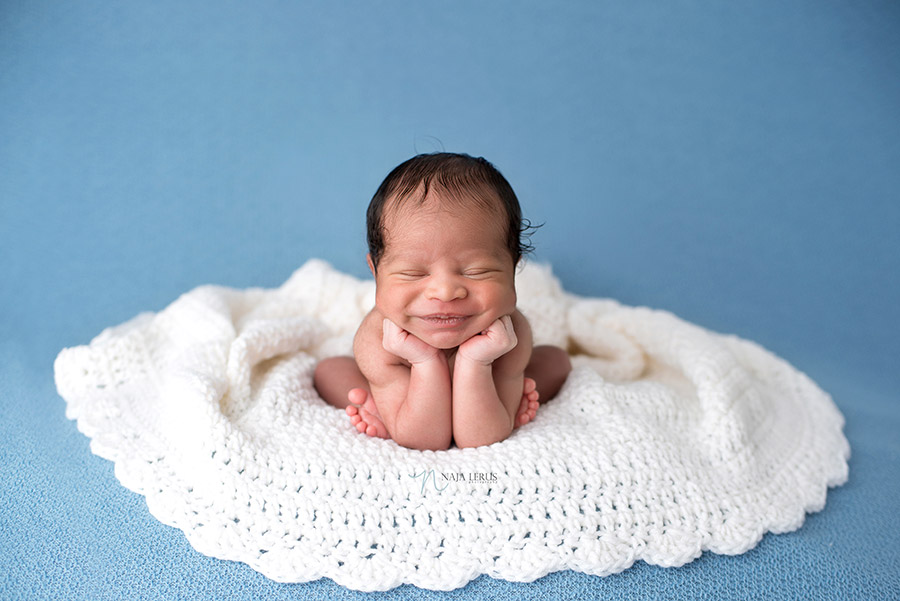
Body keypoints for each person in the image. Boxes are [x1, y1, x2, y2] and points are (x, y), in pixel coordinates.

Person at [314, 153, 571, 450]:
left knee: (556, 360)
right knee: (330, 371)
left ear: (513, 269)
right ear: (376, 272)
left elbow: (480, 438)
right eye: (413, 273)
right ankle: (384, 408)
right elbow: (424, 439)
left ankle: (505, 401)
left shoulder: (509, 336)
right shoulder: (378, 340)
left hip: (485, 393)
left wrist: (477, 361)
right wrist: (424, 361)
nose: (445, 292)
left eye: (477, 271)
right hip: (409, 400)